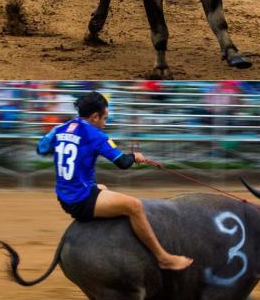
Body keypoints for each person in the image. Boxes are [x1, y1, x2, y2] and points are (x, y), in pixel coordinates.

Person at [37, 91, 192, 272]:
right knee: (134, 206)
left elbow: (41, 149)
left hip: (65, 196)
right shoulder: (96, 135)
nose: (105, 123)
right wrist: (134, 156)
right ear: (95, 116)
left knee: (103, 188)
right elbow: (122, 163)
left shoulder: (61, 128)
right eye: (105, 118)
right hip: (80, 198)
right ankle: (163, 258)